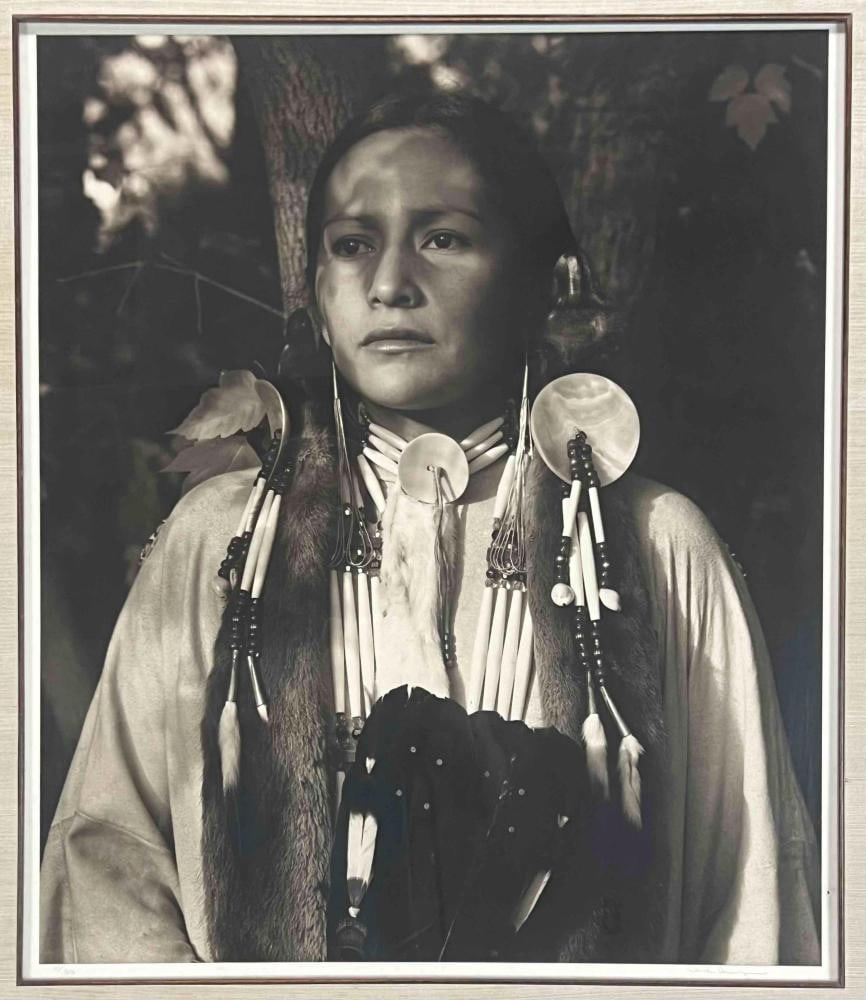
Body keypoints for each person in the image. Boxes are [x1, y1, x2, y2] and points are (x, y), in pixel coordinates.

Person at [40, 91, 820, 966]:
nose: (389, 284)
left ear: (537, 277)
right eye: (352, 244)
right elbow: (105, 859)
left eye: (443, 237)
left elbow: (752, 898)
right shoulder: (223, 544)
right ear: (317, 291)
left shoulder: (657, 548)